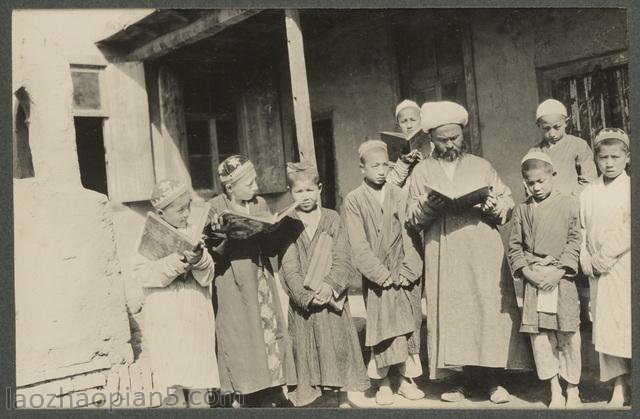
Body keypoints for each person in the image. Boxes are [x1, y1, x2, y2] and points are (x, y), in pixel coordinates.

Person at [406, 101, 532, 404]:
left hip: (482, 249)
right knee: (454, 313)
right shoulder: (422, 171)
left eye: (456, 137)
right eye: (443, 139)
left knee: (487, 311)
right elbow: (411, 216)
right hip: (444, 250)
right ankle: (459, 381)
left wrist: (495, 206)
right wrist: (427, 207)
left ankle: (493, 381)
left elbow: (506, 201)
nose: (451, 144)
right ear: (431, 139)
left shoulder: (481, 165)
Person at [204, 155, 295, 407]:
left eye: (255, 181)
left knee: (268, 330)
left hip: (259, 276)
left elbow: (271, 247)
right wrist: (220, 235)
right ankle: (247, 390)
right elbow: (210, 251)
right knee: (240, 334)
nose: (255, 187)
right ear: (230, 187)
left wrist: (272, 230)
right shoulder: (215, 207)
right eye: (249, 183)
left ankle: (273, 386)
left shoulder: (259, 203)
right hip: (231, 279)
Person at [278, 162, 369, 407]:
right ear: (290, 192)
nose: (305, 196)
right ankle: (312, 400)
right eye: (298, 191)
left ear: (319, 188)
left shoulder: (332, 218)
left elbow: (343, 257)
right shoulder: (286, 223)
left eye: (309, 190)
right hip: (305, 306)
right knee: (308, 351)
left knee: (336, 348)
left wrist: (330, 285)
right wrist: (304, 295)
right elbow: (289, 267)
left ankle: (340, 396)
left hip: (331, 302)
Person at [344, 140, 424, 405]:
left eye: (385, 165)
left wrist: (408, 269)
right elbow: (358, 244)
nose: (381, 170)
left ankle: (404, 379)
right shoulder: (354, 200)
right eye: (374, 165)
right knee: (382, 327)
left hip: (402, 271)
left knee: (406, 326)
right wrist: (379, 274)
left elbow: (411, 234)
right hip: (378, 275)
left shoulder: (399, 194)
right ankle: (384, 382)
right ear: (362, 167)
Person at [132, 179, 218, 408]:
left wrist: (199, 259)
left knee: (199, 382)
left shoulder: (193, 233)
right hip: (166, 317)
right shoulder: (147, 236)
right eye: (180, 210)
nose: (187, 213)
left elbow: (208, 275)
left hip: (195, 314)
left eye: (189, 206)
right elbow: (143, 274)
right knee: (172, 385)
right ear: (161, 212)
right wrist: (176, 261)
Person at [507, 152, 582, 408]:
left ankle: (572, 388)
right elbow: (514, 247)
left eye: (541, 181)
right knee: (540, 337)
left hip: (561, 278)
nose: (536, 187)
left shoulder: (570, 205)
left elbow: (575, 241)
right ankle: (554, 388)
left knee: (568, 333)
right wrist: (528, 273)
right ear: (524, 182)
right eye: (530, 183)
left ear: (553, 176)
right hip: (534, 278)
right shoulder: (522, 209)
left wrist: (559, 272)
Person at [579, 128, 631, 407]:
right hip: (598, 273)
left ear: (627, 157)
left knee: (627, 323)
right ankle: (618, 386)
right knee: (606, 328)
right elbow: (583, 229)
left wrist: (605, 257)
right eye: (603, 157)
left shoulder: (630, 188)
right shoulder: (589, 192)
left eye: (615, 156)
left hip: (624, 267)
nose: (609, 163)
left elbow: (629, 229)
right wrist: (586, 259)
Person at [528, 99, 598, 197]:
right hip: (547, 206)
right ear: (538, 126)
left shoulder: (578, 145)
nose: (552, 134)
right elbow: (530, 183)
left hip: (574, 203)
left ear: (566, 122)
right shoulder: (535, 152)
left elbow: (589, 178)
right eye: (546, 128)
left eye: (557, 127)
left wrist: (573, 198)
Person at [387, 99, 426, 188]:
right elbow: (389, 187)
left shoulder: (433, 147)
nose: (409, 126)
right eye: (404, 121)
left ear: (421, 120)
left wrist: (424, 165)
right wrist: (403, 163)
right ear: (398, 125)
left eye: (413, 120)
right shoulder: (391, 152)